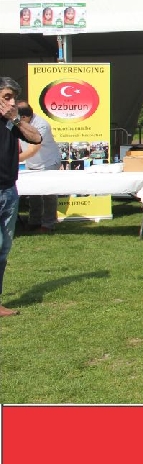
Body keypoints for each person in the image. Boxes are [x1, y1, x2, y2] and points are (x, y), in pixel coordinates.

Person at [0, 77, 42, 317]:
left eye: (14, 98)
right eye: (7, 97)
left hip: (9, 191)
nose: (12, 102)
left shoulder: (12, 120)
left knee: (4, 248)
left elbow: (36, 138)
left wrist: (15, 119)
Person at [16, 102, 62, 232]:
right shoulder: (19, 123)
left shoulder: (42, 125)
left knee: (49, 194)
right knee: (33, 194)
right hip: (32, 163)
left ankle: (48, 224)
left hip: (48, 162)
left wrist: (12, 160)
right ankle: (34, 221)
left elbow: (33, 150)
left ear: (24, 117)